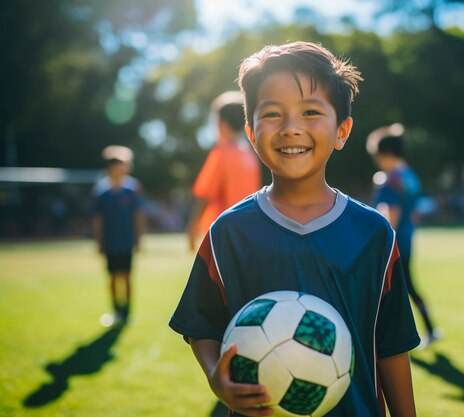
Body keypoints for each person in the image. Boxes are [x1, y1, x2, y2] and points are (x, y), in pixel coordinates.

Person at [170, 41, 420, 417]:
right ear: (251, 132)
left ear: (342, 130)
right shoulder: (228, 232)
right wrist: (214, 376)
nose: (291, 128)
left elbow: (392, 345)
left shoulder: (374, 234)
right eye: (272, 114)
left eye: (310, 112)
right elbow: (200, 323)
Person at [366, 123, 439, 347]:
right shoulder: (410, 177)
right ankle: (430, 329)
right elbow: (415, 213)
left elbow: (390, 216)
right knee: (407, 287)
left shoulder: (389, 178)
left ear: (385, 154)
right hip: (407, 241)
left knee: (383, 293)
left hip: (391, 246)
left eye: (377, 157)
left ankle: (385, 340)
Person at [187, 91, 262, 251]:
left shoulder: (221, 153)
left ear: (221, 123)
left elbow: (204, 196)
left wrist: (192, 231)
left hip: (222, 234)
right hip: (247, 233)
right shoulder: (250, 154)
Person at [92, 145, 146, 327]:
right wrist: (99, 242)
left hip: (126, 242)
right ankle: (115, 310)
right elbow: (98, 219)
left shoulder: (133, 189)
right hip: (110, 243)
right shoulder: (102, 192)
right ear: (108, 168)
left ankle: (127, 312)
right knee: (113, 277)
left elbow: (138, 216)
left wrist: (139, 240)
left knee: (127, 276)